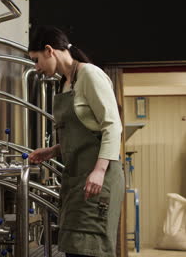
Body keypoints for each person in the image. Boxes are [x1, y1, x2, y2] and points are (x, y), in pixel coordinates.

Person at [28, 26, 125, 257]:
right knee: (73, 248)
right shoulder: (64, 83)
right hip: (76, 179)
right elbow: (85, 133)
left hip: (99, 179)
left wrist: (100, 171)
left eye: (36, 59)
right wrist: (54, 150)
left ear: (49, 50)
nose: (36, 68)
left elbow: (112, 126)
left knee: (91, 249)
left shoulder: (89, 74)